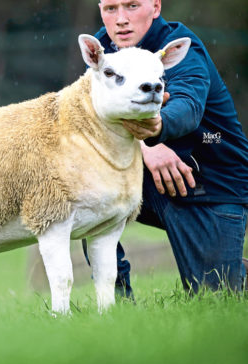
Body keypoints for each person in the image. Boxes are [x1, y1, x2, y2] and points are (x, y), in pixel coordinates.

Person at [88, 0, 248, 295]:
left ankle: (236, 273)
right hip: (150, 182)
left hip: (211, 178)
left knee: (214, 298)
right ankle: (117, 306)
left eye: (132, 6)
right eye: (111, 9)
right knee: (87, 191)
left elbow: (188, 106)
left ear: (156, 7)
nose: (121, 19)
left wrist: (157, 129)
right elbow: (97, 113)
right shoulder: (102, 50)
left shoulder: (181, 48)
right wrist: (147, 146)